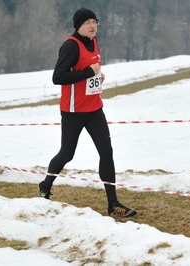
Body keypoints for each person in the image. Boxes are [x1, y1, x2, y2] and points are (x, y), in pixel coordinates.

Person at [38, 7, 137, 218]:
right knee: (67, 154)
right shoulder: (70, 46)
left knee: (106, 153)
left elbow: (91, 70)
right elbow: (58, 77)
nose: (92, 26)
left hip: (94, 109)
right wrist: (87, 73)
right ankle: (45, 186)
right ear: (78, 26)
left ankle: (113, 204)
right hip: (73, 111)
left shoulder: (94, 41)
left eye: (95, 22)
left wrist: (97, 77)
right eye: (87, 23)